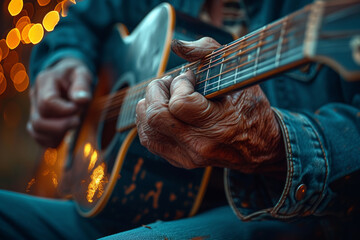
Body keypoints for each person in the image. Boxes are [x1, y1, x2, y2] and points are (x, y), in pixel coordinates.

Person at [0, 0, 359, 239]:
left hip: (286, 216)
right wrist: (63, 61)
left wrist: (277, 144)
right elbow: (81, 18)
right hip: (125, 201)